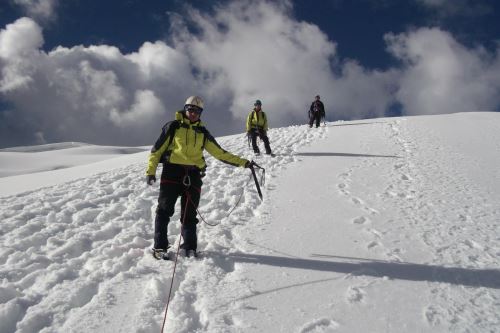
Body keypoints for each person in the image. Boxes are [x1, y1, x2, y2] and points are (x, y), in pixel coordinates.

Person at [146, 96, 252, 259]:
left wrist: (244, 163)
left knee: (189, 214)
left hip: (193, 175)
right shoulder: (173, 127)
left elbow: (220, 153)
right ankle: (160, 247)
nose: (193, 113)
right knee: (164, 210)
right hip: (172, 171)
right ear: (185, 109)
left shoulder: (203, 133)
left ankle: (190, 246)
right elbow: (157, 150)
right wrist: (150, 171)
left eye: (197, 111)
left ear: (200, 113)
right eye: (191, 109)